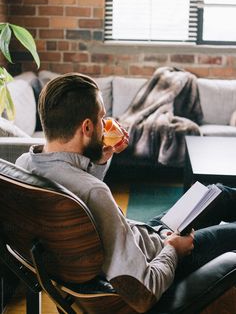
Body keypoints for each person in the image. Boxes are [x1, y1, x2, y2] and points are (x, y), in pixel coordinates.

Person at [15, 73, 236, 313]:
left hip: (143, 238)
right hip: (159, 257)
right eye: (102, 118)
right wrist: (173, 249)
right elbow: (145, 292)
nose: (106, 123)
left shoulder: (26, 164)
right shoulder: (94, 193)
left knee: (218, 195)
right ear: (87, 127)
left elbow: (79, 191)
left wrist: (101, 158)